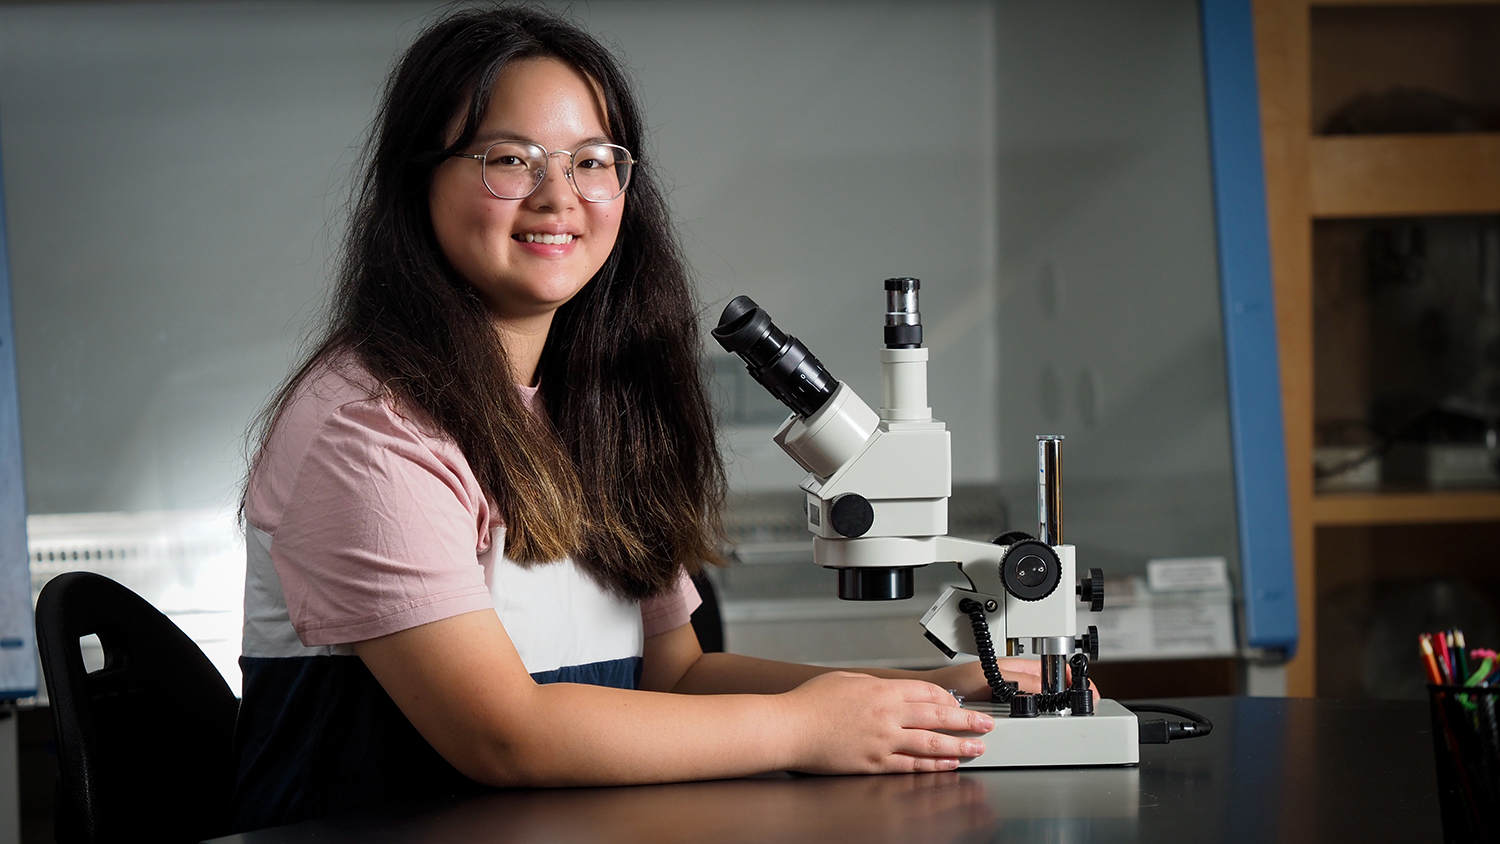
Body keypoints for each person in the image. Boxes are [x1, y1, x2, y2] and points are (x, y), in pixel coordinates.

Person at [232, 6, 1062, 832]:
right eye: (510, 159)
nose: (560, 197)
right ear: (420, 180)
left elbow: (671, 677)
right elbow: (504, 736)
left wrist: (905, 703)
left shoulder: (593, 411)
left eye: (594, 161)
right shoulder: (367, 430)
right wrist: (806, 724)